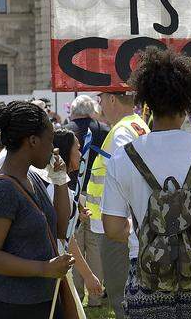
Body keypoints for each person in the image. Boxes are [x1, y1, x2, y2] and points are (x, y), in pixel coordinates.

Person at [102, 47, 191, 319]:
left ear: (146, 102)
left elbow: (112, 228)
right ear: (188, 102)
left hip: (147, 275)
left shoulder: (122, 158)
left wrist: (146, 228)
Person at [0, 101, 74, 319]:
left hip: (45, 299)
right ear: (32, 141)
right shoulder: (2, 189)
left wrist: (60, 180)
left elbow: (59, 228)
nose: (53, 148)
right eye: (50, 141)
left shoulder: (31, 177)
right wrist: (43, 269)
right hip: (14, 306)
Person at [89, 89, 150, 319]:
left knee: (121, 296)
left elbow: (130, 173)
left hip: (117, 228)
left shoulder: (121, 131)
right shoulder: (137, 124)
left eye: (101, 99)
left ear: (112, 99)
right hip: (125, 225)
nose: (100, 105)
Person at [63, 95, 109, 307]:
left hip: (71, 194)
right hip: (98, 199)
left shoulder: (65, 131)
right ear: (91, 110)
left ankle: (77, 295)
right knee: (95, 249)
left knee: (74, 246)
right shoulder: (103, 129)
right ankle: (96, 296)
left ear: (73, 111)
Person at [52, 128, 104, 303]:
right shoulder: (55, 188)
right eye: (78, 149)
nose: (81, 154)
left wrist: (77, 213)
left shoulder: (58, 185)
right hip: (54, 269)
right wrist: (88, 276)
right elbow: (66, 238)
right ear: (66, 152)